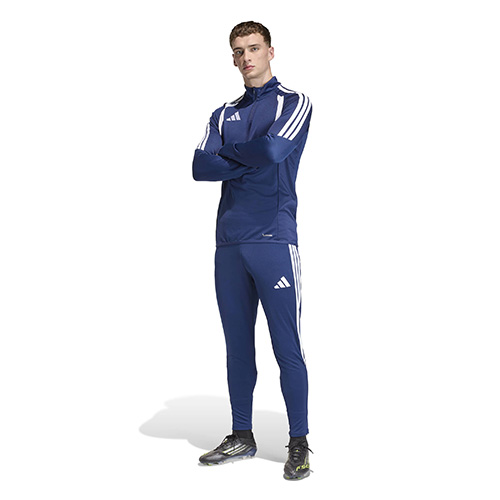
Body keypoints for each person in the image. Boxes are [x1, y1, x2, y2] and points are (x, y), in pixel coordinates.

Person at [192, 21, 313, 480]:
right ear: (233, 58)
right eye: (239, 51)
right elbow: (200, 166)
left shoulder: (293, 102)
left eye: (254, 48)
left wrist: (231, 158)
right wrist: (251, 155)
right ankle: (241, 435)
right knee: (237, 347)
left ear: (270, 52)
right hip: (229, 242)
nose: (246, 57)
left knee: (287, 346)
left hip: (273, 239)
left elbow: (275, 150)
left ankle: (299, 442)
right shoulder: (222, 113)